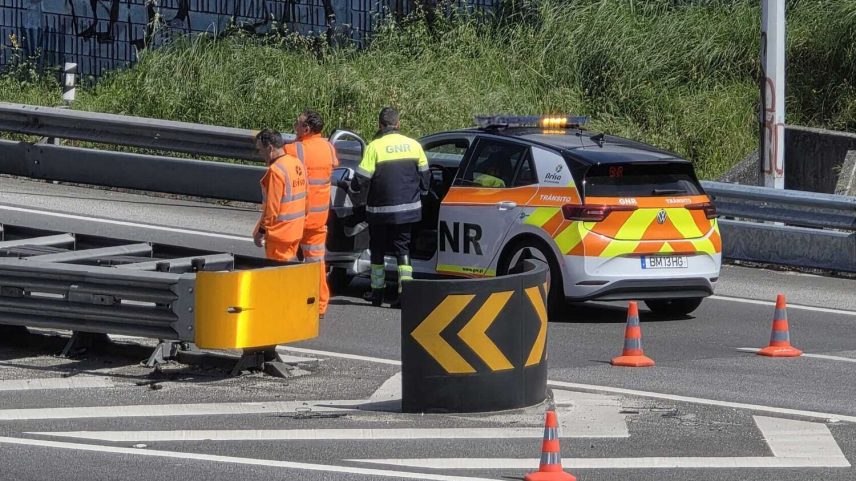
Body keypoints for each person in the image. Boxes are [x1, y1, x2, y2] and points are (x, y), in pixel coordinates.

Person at [351, 107, 429, 306]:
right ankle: (406, 294)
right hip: (408, 210)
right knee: (403, 249)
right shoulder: (414, 145)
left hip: (380, 212)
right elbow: (425, 176)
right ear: (399, 123)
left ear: (380, 125)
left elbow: (361, 178)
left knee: (377, 250)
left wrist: (352, 186)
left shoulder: (375, 147)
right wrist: (422, 193)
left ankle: (377, 293)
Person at [285, 110, 339, 318]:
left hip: (295, 215)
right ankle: (319, 306)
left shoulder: (294, 149)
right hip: (318, 217)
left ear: (306, 129)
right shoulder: (328, 147)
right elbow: (333, 167)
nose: (294, 127)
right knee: (316, 263)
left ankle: (285, 300)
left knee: (282, 261)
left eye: (297, 124)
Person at [252, 129, 307, 262]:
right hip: (296, 230)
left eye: (260, 149)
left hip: (279, 234)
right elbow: (306, 196)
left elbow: (272, 209)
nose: (259, 154)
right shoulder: (297, 163)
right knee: (288, 273)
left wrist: (261, 232)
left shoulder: (276, 170)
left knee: (277, 274)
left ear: (270, 148)